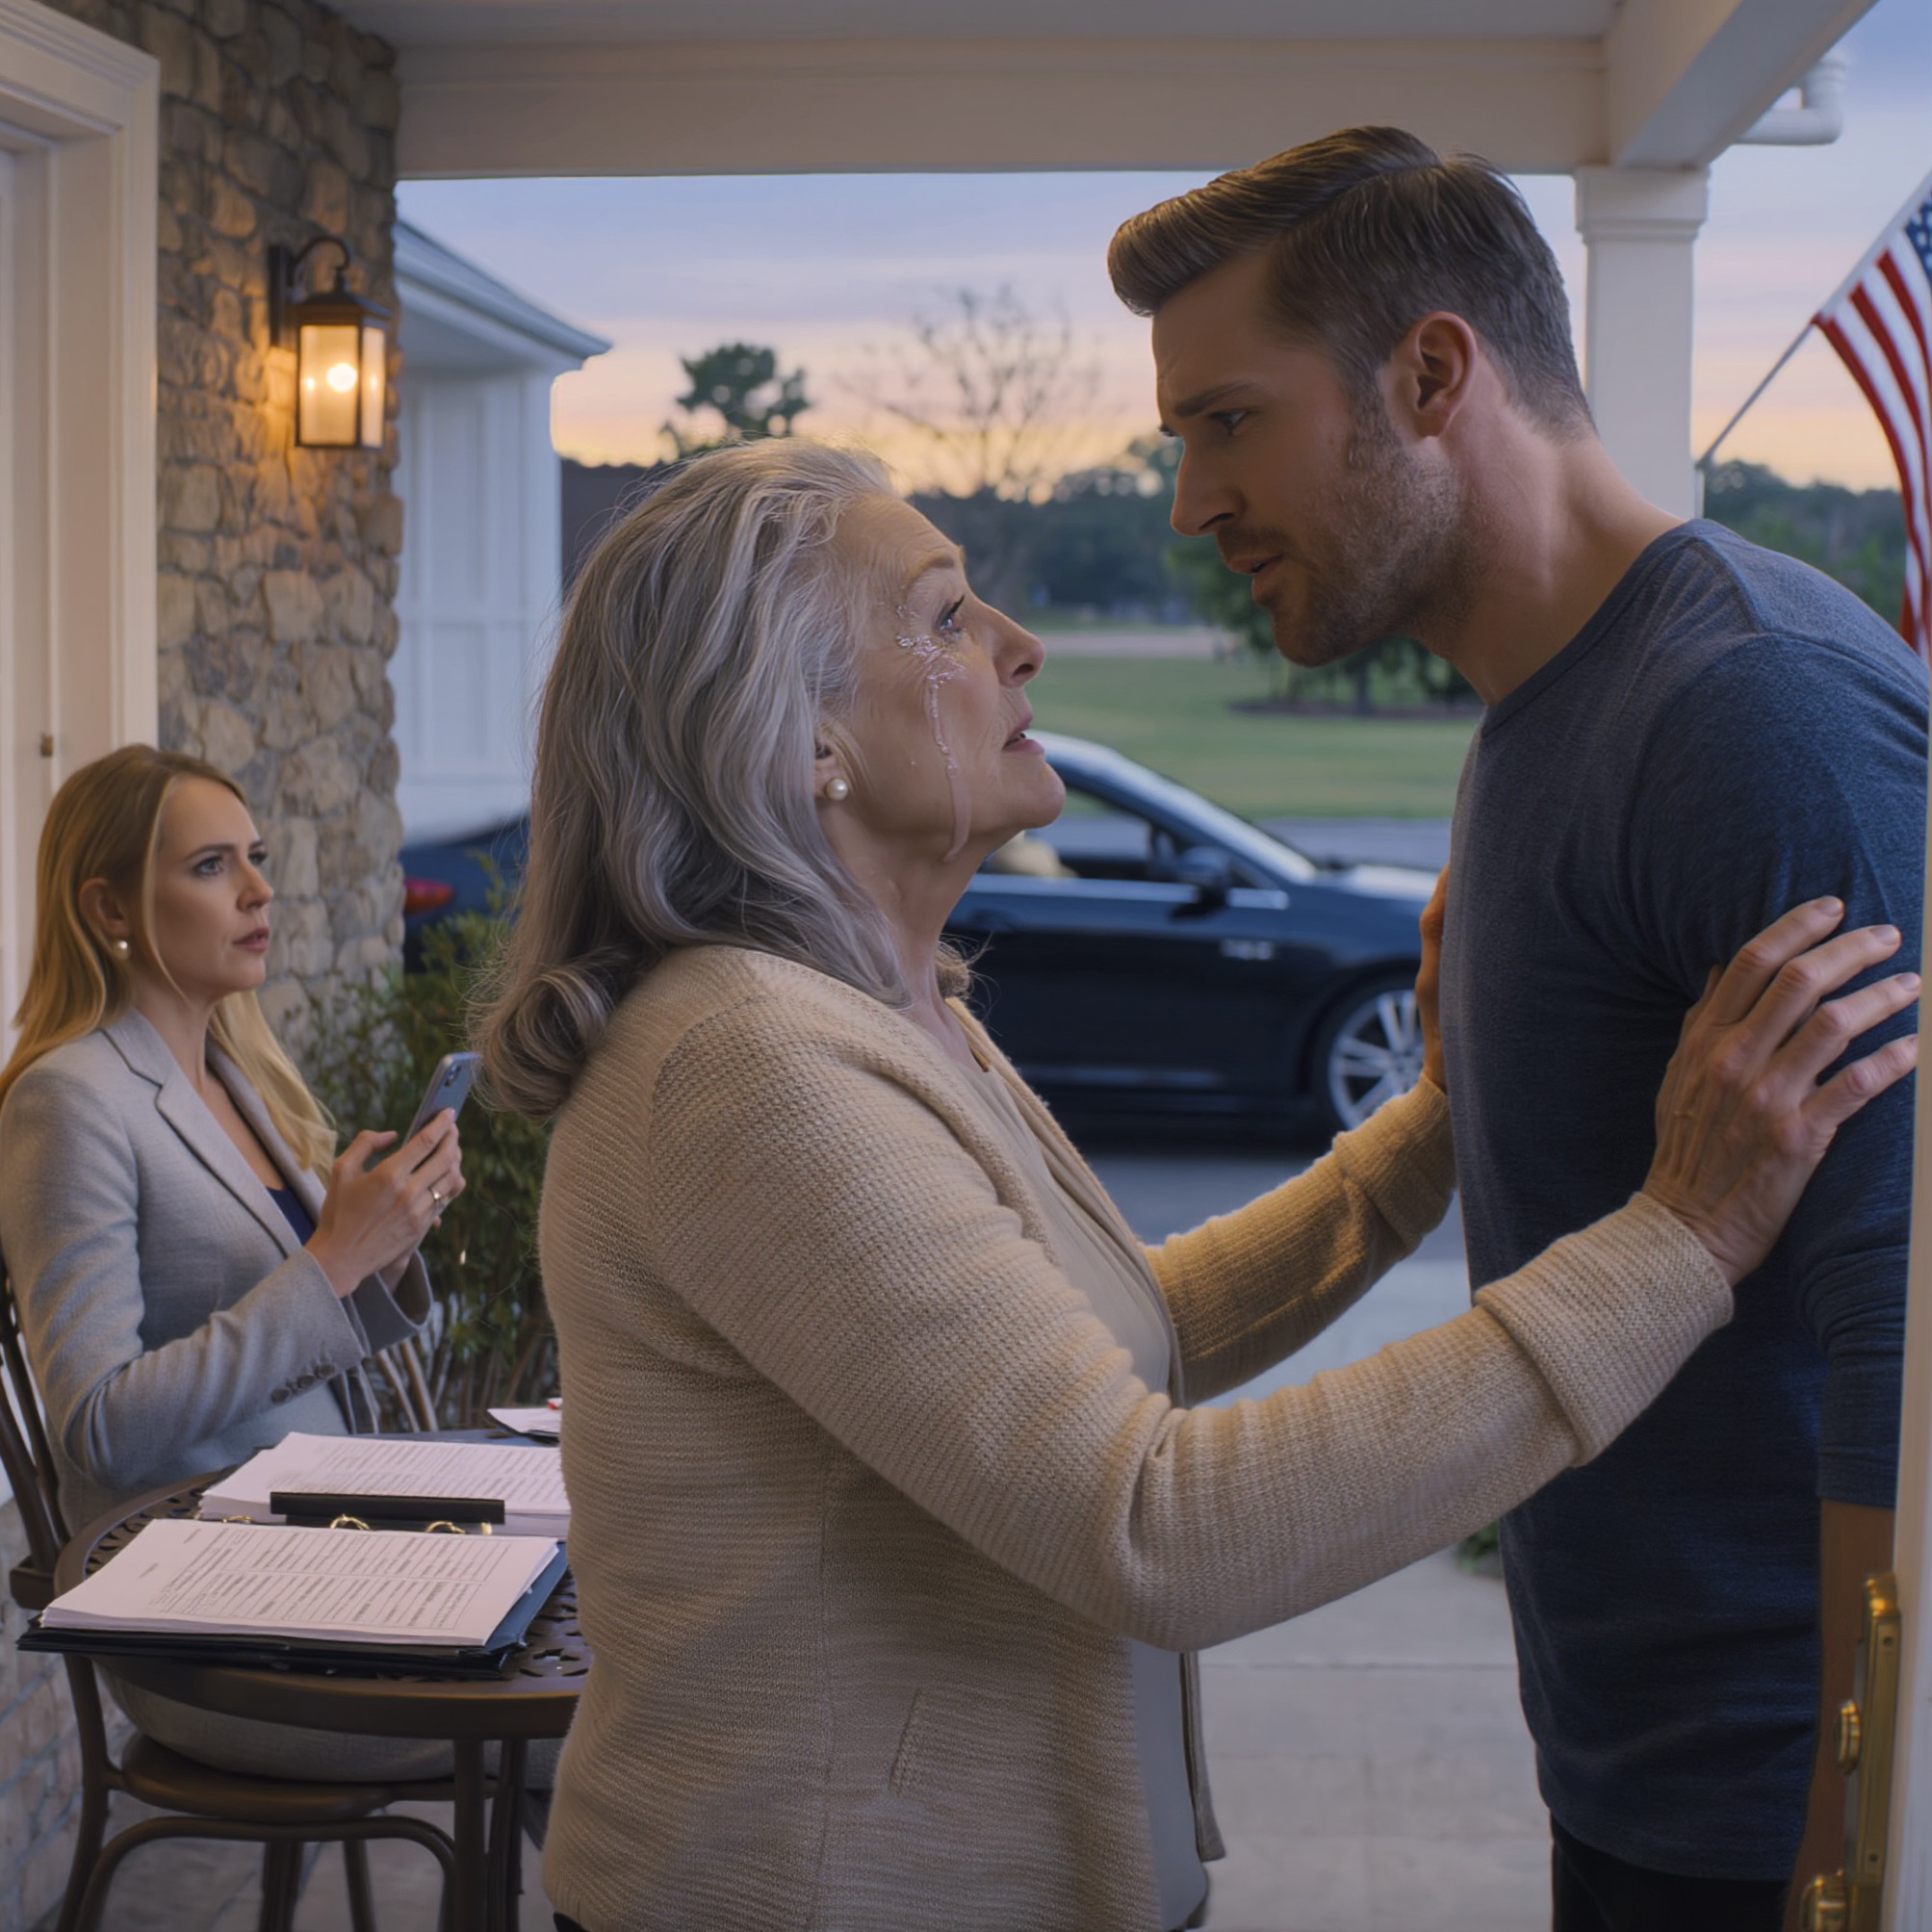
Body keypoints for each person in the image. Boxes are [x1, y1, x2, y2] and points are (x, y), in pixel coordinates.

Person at [475, 438, 1916, 1932]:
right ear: (798, 738)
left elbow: (1108, 1335)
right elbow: (1149, 1521)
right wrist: (1678, 1238)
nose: (1019, 644)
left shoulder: (887, 1014)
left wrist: (1431, 1123)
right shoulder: (746, 1065)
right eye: (946, 614)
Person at [1108, 126, 1928, 1930]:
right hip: (1630, 1774)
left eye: (1227, 421)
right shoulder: (1534, 714)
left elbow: (1908, 1324)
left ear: (1428, 375)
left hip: (1775, 1822)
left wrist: (1858, 1854)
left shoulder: (1748, 709)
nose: (1189, 503)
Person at [0, 744, 468, 1778]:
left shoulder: (233, 1076)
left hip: (325, 1553)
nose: (259, 889)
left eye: (253, 857)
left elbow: (303, 1333)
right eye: (212, 866)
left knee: (614, 1658)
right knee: (601, 1728)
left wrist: (383, 1249)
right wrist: (331, 1262)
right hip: (206, 1620)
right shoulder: (69, 1100)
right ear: (109, 908)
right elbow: (99, 1428)